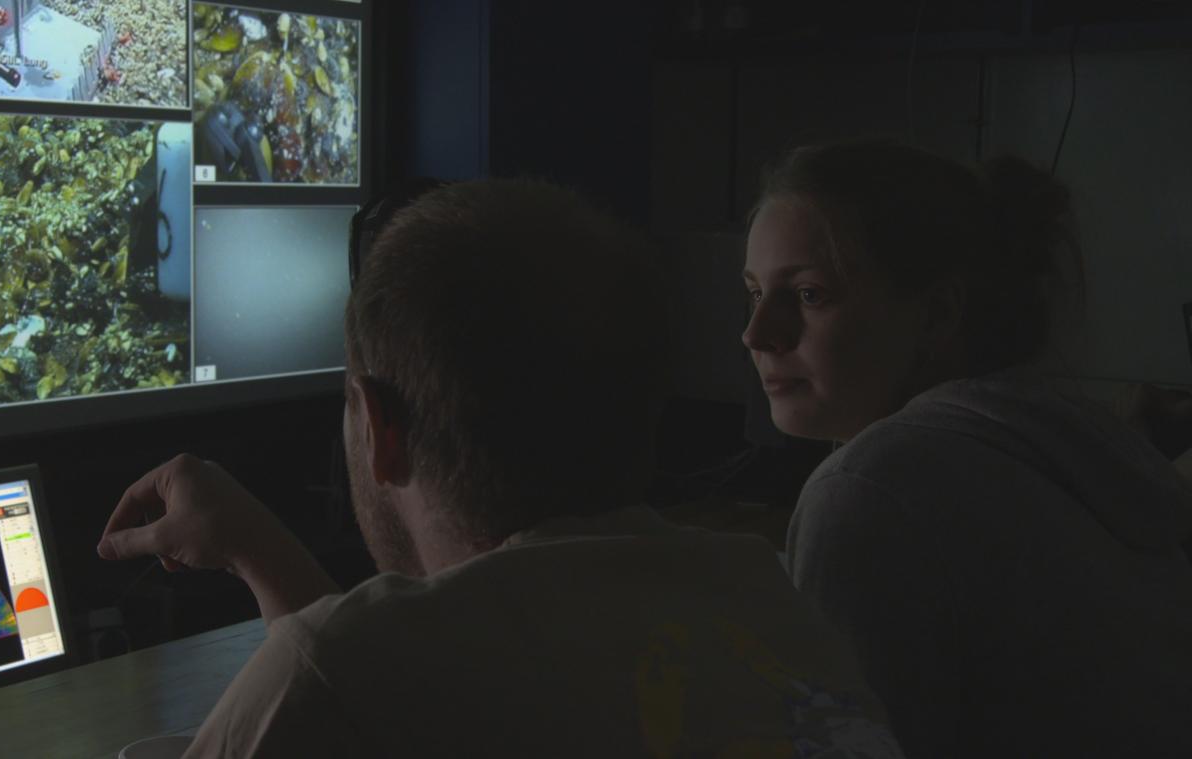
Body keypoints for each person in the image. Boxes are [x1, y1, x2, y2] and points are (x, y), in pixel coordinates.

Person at [99, 179, 906, 757]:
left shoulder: (344, 665)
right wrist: (254, 548)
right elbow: (415, 670)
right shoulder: (764, 597)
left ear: (380, 426)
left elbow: (355, 674)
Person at [740, 140, 1192, 758]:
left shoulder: (871, 491)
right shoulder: (1066, 445)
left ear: (937, 314)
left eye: (810, 294)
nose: (757, 333)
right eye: (755, 293)